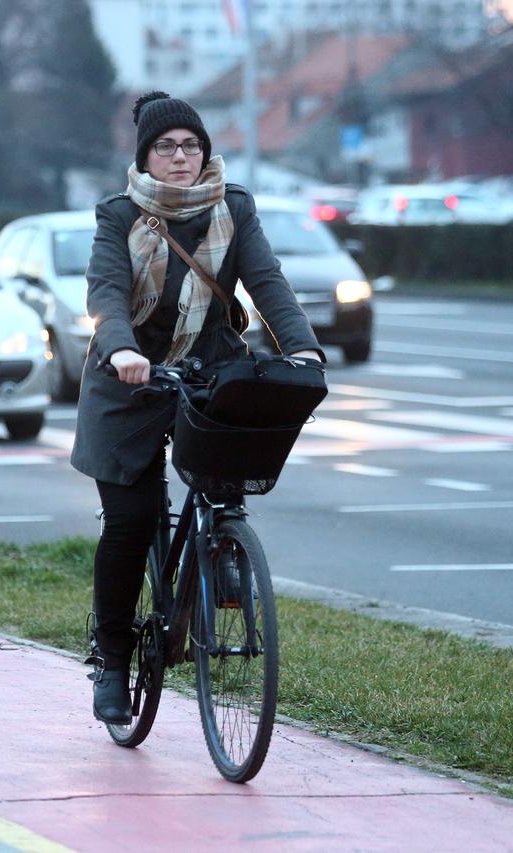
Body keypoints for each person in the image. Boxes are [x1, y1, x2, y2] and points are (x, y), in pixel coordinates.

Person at [70, 91, 323, 724]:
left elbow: (267, 281)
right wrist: (121, 349)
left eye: (191, 146)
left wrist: (302, 349)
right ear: (145, 157)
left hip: (208, 368)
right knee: (130, 522)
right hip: (127, 381)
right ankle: (113, 659)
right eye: (166, 147)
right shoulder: (119, 215)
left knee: (227, 469)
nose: (181, 157)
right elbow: (106, 293)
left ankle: (224, 548)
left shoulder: (233, 207)